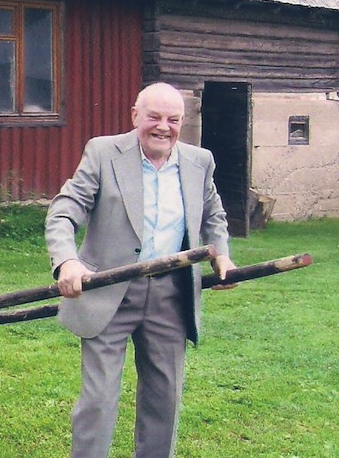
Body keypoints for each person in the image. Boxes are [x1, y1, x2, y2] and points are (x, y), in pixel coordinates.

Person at [45, 82, 237, 458]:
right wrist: (67, 260)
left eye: (173, 119)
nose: (163, 127)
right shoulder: (104, 152)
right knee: (98, 400)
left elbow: (213, 214)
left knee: (164, 400)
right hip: (107, 292)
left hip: (171, 296)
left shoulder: (200, 161)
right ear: (135, 116)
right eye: (153, 117)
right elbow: (65, 209)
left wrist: (222, 255)